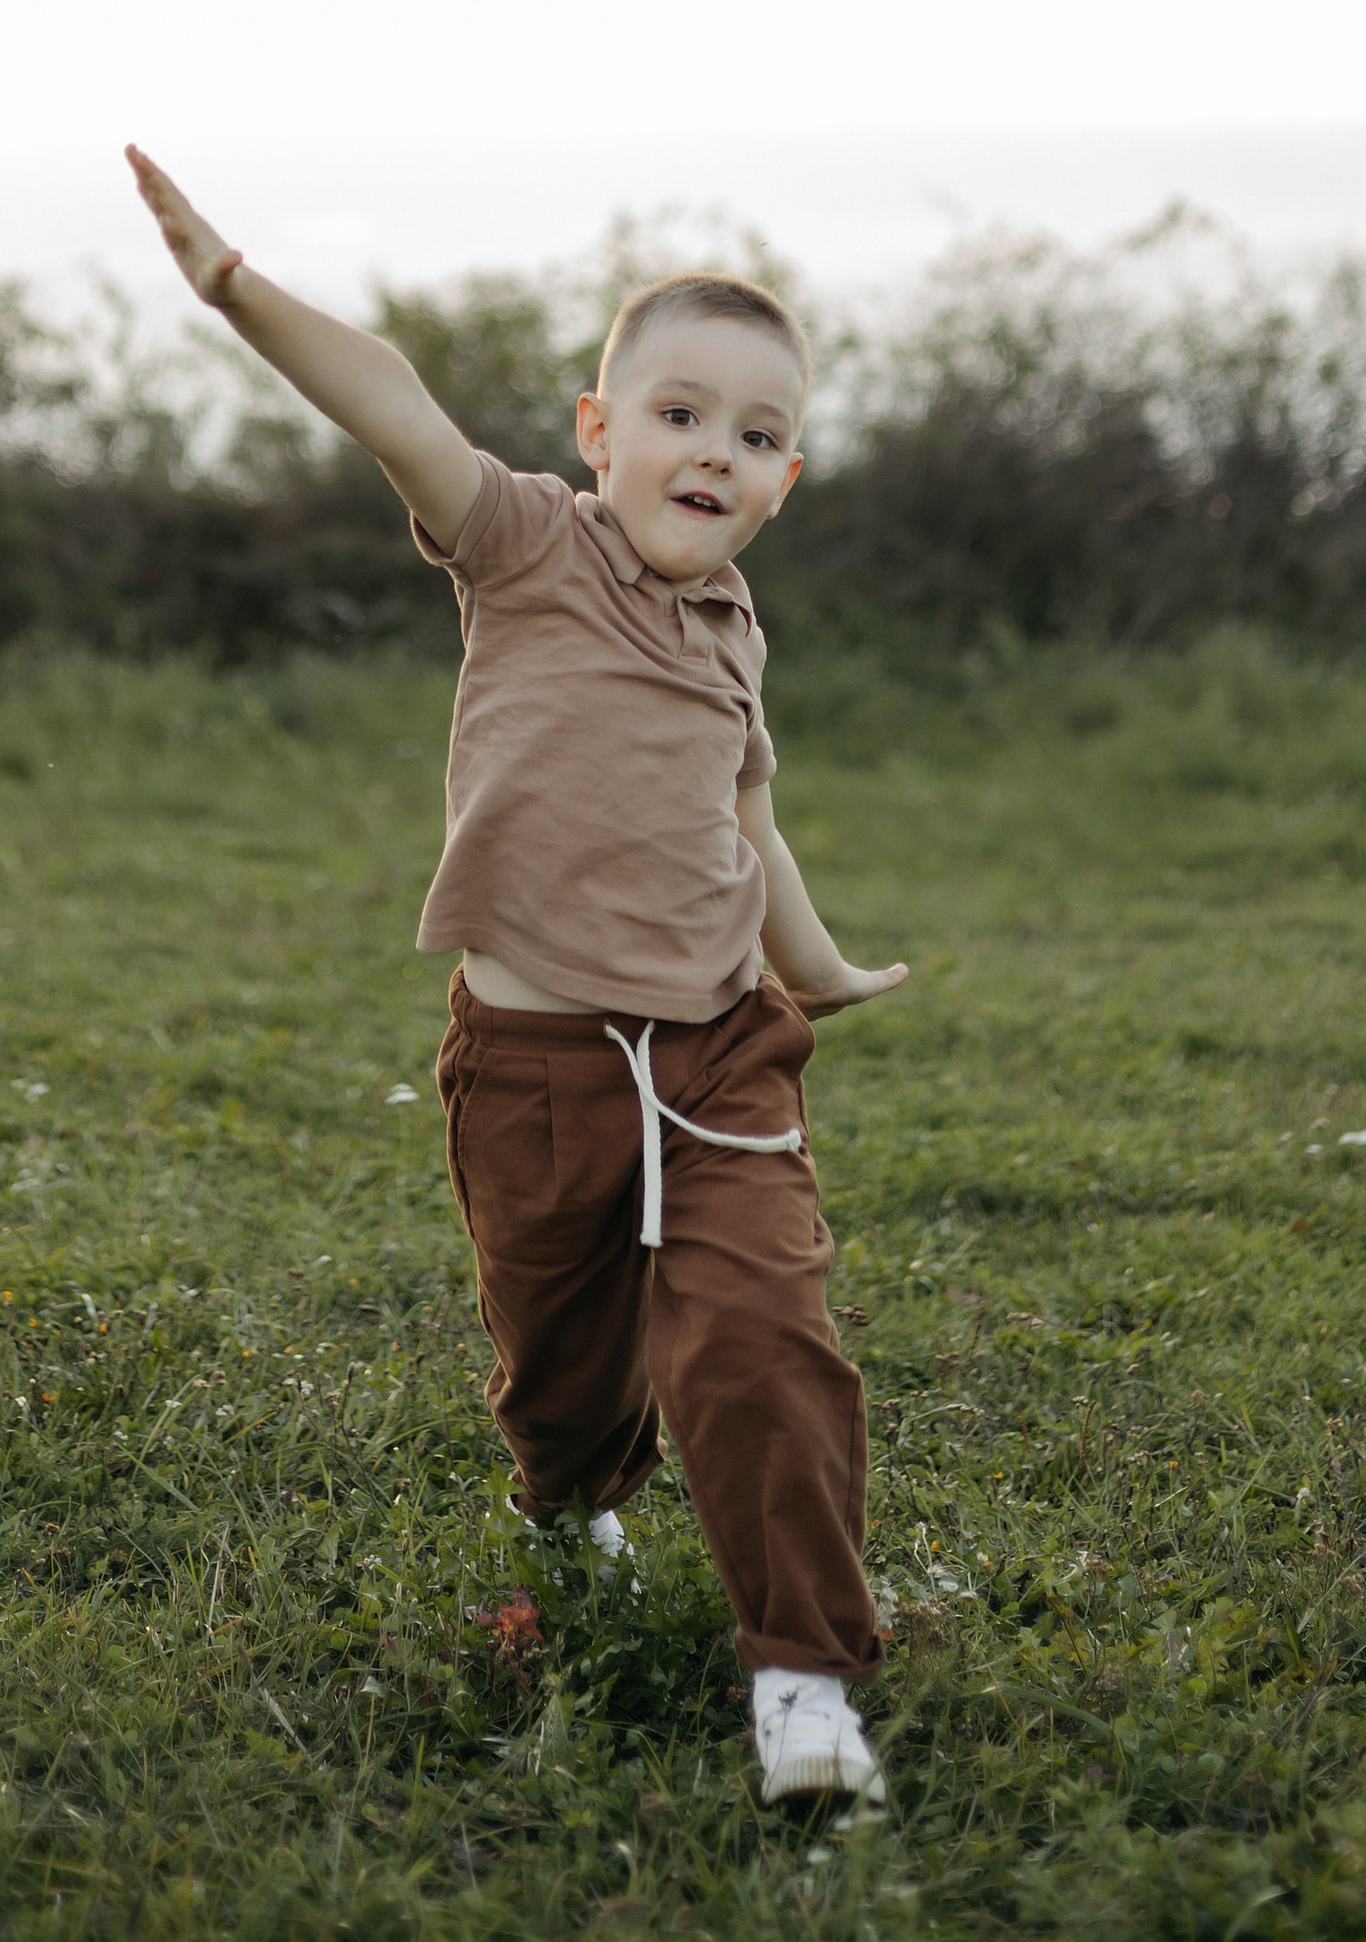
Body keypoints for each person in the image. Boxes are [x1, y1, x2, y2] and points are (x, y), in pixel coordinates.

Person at [127, 147, 910, 1806]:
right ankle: (566, 1506)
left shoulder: (734, 628)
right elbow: (396, 407)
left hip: (720, 1056)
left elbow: (749, 815)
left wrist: (820, 965)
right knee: (563, 1380)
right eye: (681, 414)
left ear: (786, 479)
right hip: (537, 1070)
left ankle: (806, 1678)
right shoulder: (528, 544)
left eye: (756, 435)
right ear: (598, 431)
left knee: (760, 1339)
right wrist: (236, 288)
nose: (716, 452)